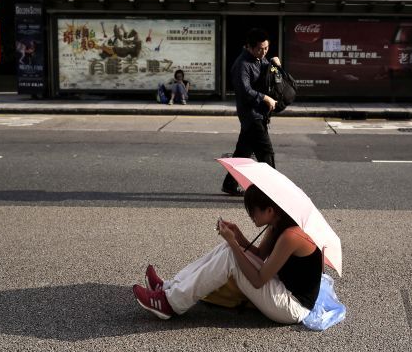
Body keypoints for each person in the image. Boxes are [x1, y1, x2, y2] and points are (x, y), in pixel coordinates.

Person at [132, 184, 323, 324]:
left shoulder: (291, 236)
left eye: (253, 211)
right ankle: (168, 287)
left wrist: (233, 243)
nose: (251, 216)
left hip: (293, 306)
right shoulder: (276, 225)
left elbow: (259, 280)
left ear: (270, 210)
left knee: (231, 254)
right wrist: (238, 237)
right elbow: (259, 255)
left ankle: (169, 304)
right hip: (280, 287)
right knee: (228, 250)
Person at [221, 28, 280, 196]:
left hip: (260, 114)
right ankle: (273, 190)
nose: (264, 52)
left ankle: (229, 184)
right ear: (249, 47)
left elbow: (271, 75)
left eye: (266, 48)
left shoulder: (260, 59)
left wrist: (276, 66)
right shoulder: (242, 65)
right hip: (251, 116)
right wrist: (264, 98)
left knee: (243, 152)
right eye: (260, 48)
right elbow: (244, 91)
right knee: (266, 152)